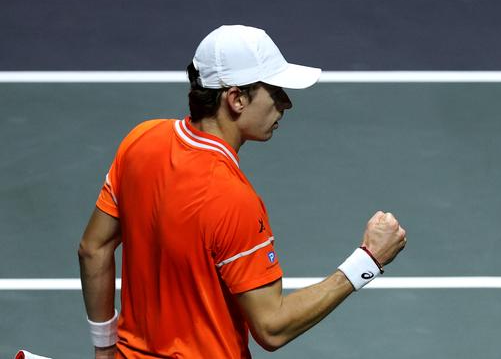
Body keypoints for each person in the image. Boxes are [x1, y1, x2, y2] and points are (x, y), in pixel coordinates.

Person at [78, 25, 407, 359]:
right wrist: (367, 261)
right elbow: (272, 327)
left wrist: (104, 345)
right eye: (275, 91)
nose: (286, 104)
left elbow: (94, 248)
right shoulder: (232, 199)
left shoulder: (140, 141)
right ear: (236, 98)